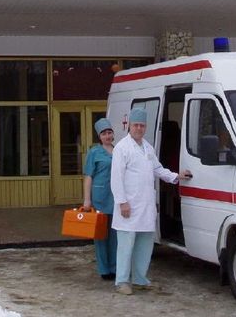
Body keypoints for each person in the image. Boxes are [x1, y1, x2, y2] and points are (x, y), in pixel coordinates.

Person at [110, 108, 192, 295]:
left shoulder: (147, 147)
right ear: (129, 126)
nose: (139, 128)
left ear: (145, 127)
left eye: (142, 125)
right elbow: (116, 178)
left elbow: (158, 169)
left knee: (145, 245)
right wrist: (122, 202)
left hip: (145, 205)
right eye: (136, 125)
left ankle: (140, 279)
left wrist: (176, 176)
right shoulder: (122, 148)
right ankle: (122, 281)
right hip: (128, 206)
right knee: (126, 246)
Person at [82, 117, 117, 280]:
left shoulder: (119, 150)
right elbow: (88, 176)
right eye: (104, 134)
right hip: (100, 198)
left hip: (116, 197)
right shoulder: (94, 152)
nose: (107, 136)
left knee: (115, 235)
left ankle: (115, 267)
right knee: (101, 235)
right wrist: (87, 199)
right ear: (99, 136)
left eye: (109, 132)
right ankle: (104, 269)